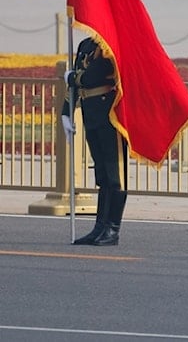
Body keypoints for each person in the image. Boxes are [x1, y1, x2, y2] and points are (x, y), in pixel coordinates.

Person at [60, 37, 128, 246]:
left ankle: (113, 229)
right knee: (102, 175)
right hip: (92, 114)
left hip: (111, 116)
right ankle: (100, 227)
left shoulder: (110, 45)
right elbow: (77, 84)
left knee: (115, 175)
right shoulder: (85, 45)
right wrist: (66, 112)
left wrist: (72, 77)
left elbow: (93, 76)